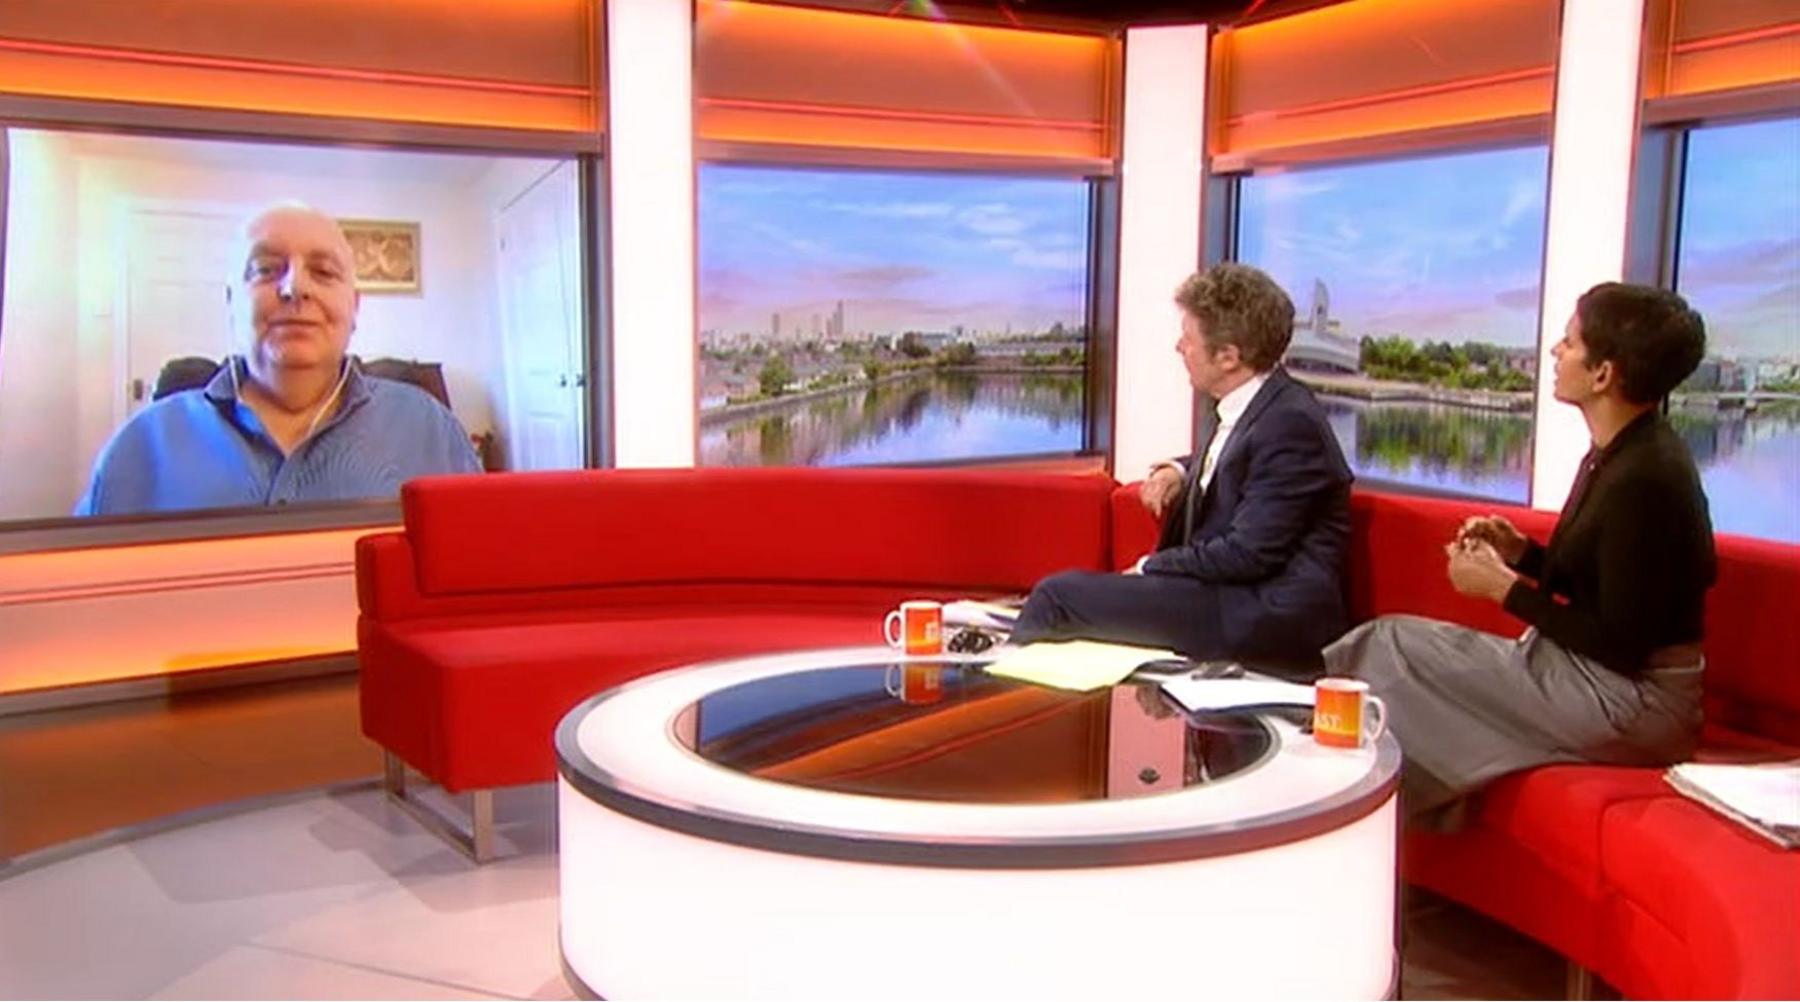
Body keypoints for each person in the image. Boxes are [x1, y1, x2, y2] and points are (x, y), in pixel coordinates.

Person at [1325, 282, 1715, 827]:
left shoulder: (1649, 476)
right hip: (1591, 674)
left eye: (1569, 342)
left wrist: (1503, 589)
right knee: (1389, 644)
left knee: (1390, 646)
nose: (1555, 352)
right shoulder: (1621, 451)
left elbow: (1622, 644)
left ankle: (1365, 820)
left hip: (1636, 703)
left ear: (1604, 374)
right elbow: (1601, 585)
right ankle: (1392, 816)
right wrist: (1522, 553)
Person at [1010, 263, 1353, 670]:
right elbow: (1242, 461)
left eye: (1188, 338)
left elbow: (1248, 554)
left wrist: (1150, 567)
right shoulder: (1261, 407)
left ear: (1228, 357)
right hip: (1232, 599)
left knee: (1057, 597)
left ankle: (990, 716)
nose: (1179, 347)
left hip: (1265, 615)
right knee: (1072, 601)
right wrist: (1179, 468)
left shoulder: (1289, 423)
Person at [76, 203, 481, 516]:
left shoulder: (431, 429)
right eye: (267, 269)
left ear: (354, 308)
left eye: (323, 272)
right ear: (232, 303)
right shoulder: (139, 447)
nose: (294, 288)